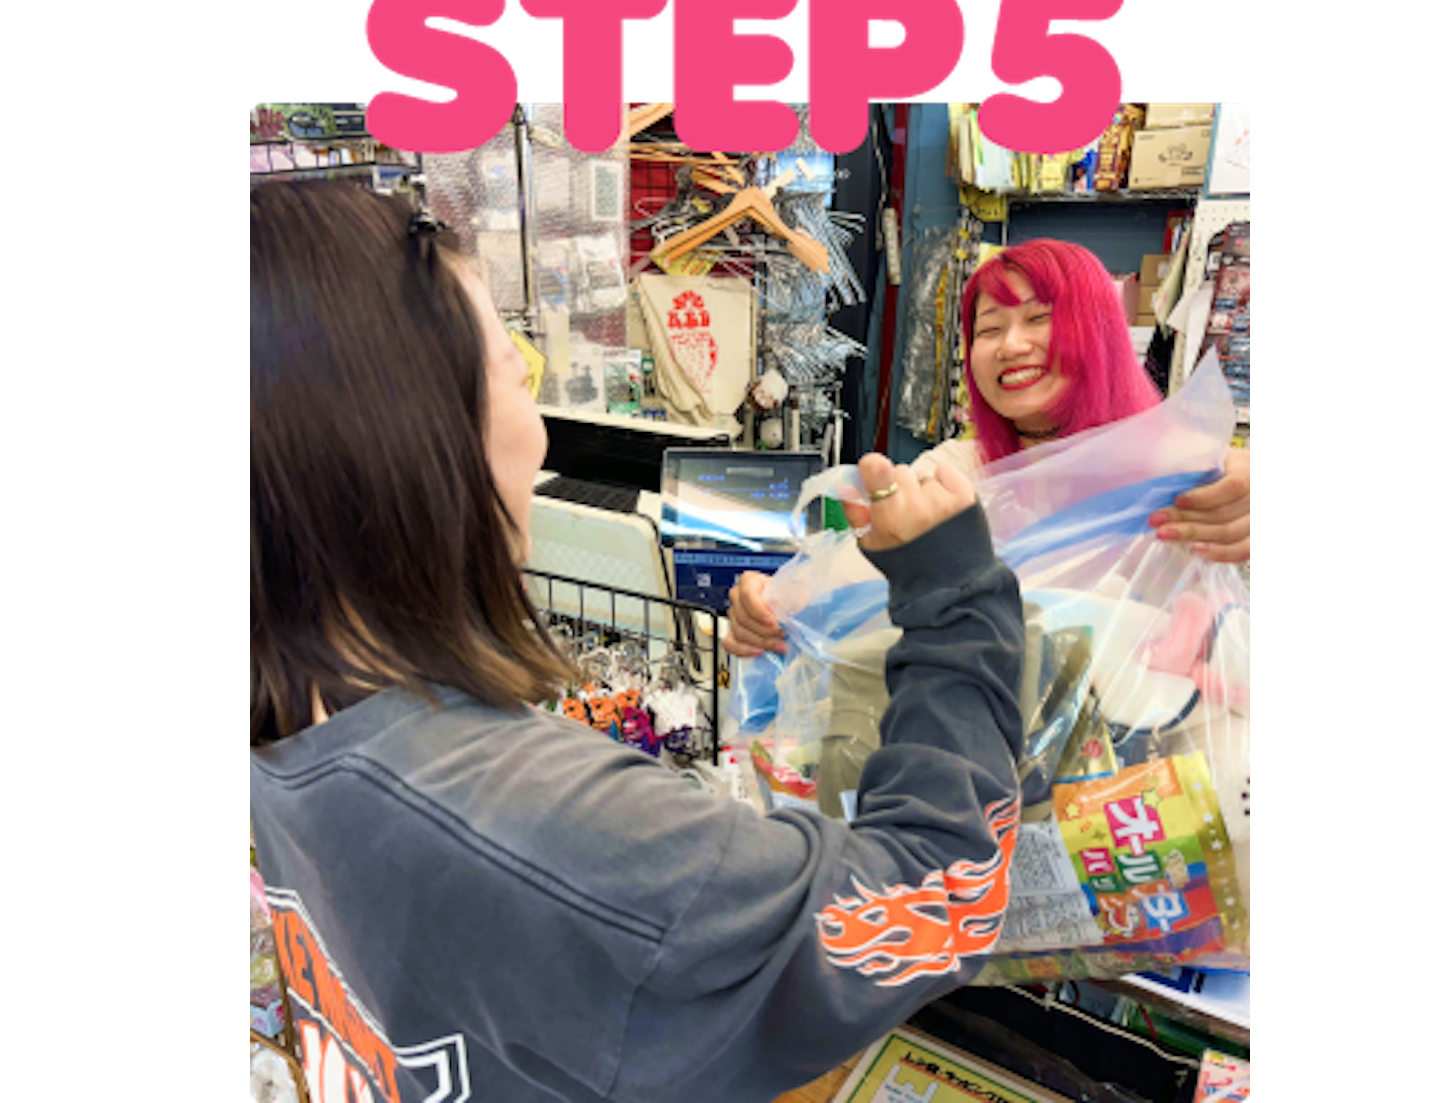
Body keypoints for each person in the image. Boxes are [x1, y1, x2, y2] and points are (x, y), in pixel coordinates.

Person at [250, 180, 1035, 1103]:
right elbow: (938, 899)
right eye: (516, 373)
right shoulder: (548, 824)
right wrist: (956, 596)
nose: (540, 434)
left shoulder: (289, 722)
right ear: (413, 434)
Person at [726, 238, 1250, 659]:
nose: (1011, 345)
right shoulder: (959, 473)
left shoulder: (1179, 470)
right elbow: (854, 573)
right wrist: (774, 603)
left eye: (1038, 319)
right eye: (990, 328)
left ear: (1099, 331)